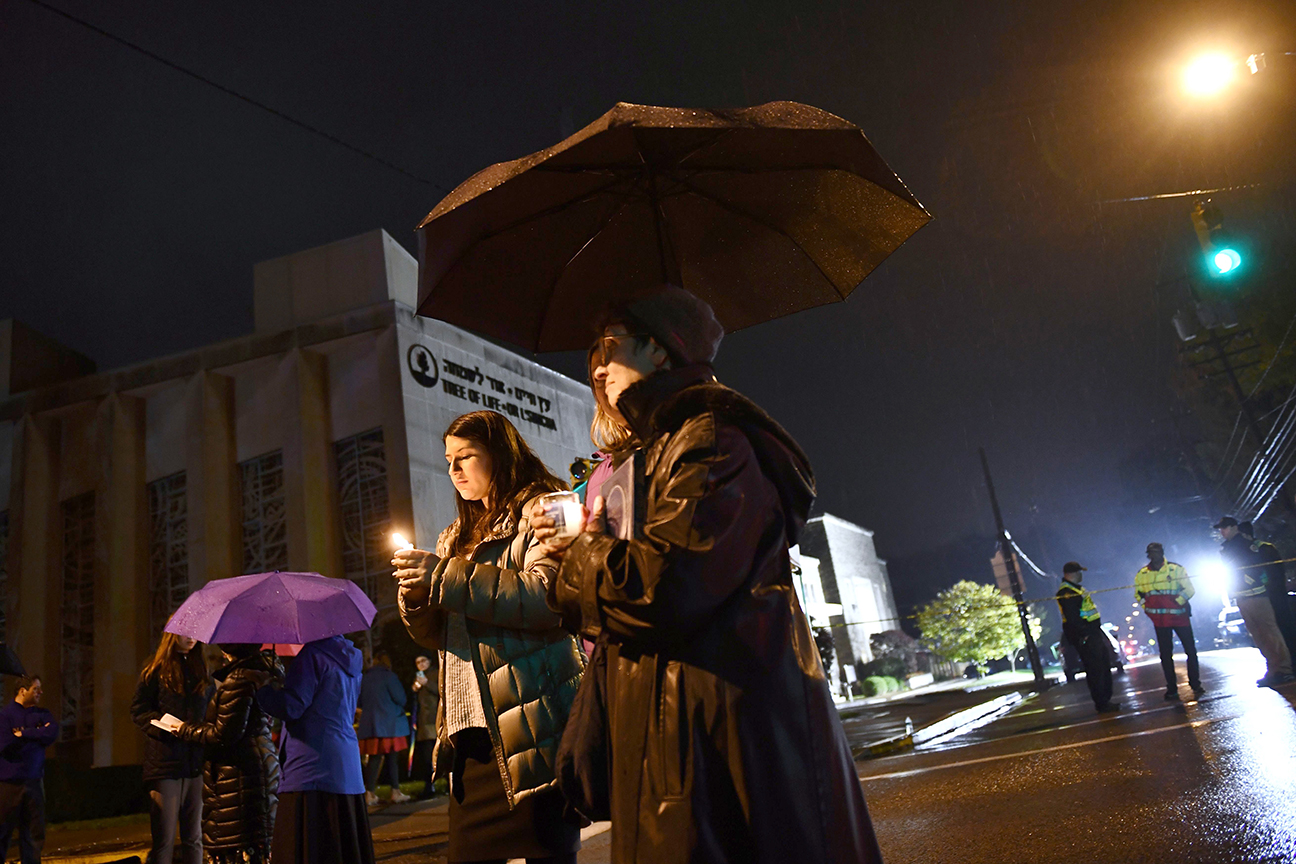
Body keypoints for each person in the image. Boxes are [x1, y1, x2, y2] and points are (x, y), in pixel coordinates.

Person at [539, 288, 884, 864]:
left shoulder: (711, 440)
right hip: (673, 735)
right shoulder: (656, 452)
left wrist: (583, 551)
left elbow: (663, 590)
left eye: (610, 346)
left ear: (660, 349)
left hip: (715, 742)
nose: (598, 368)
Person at [393, 410, 584, 864]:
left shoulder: (552, 506)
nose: (453, 470)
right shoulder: (452, 536)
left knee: (550, 853)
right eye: (448, 460)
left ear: (499, 454)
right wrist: (417, 599)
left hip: (537, 727)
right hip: (470, 736)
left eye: (466, 456)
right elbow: (434, 637)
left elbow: (549, 600)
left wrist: (443, 575)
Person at [256, 635, 374, 864]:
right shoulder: (351, 657)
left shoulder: (312, 655)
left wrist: (264, 690)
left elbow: (292, 707)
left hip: (311, 764)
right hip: (345, 763)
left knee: (305, 846)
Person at [171, 644, 281, 864]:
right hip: (258, 765)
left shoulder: (239, 679)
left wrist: (184, 729)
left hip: (238, 774)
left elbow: (225, 734)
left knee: (238, 846)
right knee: (258, 843)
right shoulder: (262, 673)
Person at [130, 632, 213, 864]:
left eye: (194, 633)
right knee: (164, 840)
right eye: (185, 633)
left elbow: (210, 711)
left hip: (195, 763)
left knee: (194, 838)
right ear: (171, 635)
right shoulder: (155, 670)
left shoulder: (202, 671)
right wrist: (164, 728)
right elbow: (139, 711)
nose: (190, 637)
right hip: (165, 763)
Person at [1216, 516, 1294, 686]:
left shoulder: (1245, 545)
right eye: (1220, 528)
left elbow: (1257, 568)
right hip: (1241, 595)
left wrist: (1254, 581)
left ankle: (1284, 669)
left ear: (1234, 527)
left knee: (1270, 634)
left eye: (1225, 527)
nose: (1222, 531)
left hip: (1257, 595)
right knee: (1259, 637)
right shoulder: (1226, 548)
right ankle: (1273, 669)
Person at [0, 676, 57, 864]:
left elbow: (51, 733)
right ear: (22, 691)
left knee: (34, 834)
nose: (40, 692)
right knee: (3, 832)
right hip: (8, 783)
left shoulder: (43, 713)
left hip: (34, 782)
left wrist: (24, 733)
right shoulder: (5, 715)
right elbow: (5, 744)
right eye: (36, 689)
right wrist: (37, 736)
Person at [1135, 542, 1203, 700]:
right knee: (1165, 655)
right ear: (1148, 554)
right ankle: (1171, 688)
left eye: (1157, 552)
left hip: (1180, 617)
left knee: (1190, 651)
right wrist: (1147, 608)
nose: (1154, 555)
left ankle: (1195, 683)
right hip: (1160, 621)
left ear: (1162, 552)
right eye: (1151, 552)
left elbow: (1190, 589)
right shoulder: (1142, 574)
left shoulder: (1176, 569)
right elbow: (1138, 594)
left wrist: (1176, 603)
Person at [1056, 562, 1120, 713]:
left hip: (1092, 633)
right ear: (1072, 573)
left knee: (1102, 666)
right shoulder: (1067, 592)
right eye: (1079, 572)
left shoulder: (1076, 589)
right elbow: (1073, 618)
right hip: (1087, 636)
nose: (1081, 575)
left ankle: (1105, 700)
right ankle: (1102, 703)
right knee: (1096, 670)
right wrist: (1084, 634)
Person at [357, 651, 411, 806]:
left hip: (371, 725)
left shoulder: (364, 678)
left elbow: (359, 701)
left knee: (374, 759)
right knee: (392, 759)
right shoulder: (390, 677)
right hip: (390, 724)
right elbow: (400, 698)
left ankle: (369, 793)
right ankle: (395, 791)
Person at [1240, 521, 1296, 659]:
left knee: (1282, 629)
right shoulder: (1254, 550)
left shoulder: (1262, 549)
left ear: (1245, 535)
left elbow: (1273, 574)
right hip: (1267, 596)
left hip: (1273, 597)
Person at [410, 656, 438, 800]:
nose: (421, 664)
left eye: (423, 661)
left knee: (436, 753)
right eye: (418, 662)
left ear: (429, 661)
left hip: (434, 720)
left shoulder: (436, 673)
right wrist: (415, 689)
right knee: (426, 755)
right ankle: (429, 785)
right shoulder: (419, 676)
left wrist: (427, 683)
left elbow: (441, 690)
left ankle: (440, 783)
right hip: (423, 722)